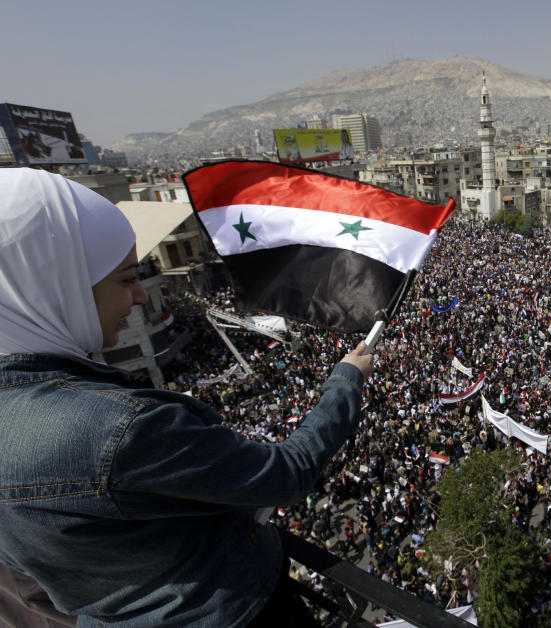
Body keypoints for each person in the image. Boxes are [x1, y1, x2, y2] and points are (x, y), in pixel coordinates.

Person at [0, 168, 374, 626]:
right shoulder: (114, 429)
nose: (140, 295)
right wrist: (345, 381)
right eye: (124, 279)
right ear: (53, 286)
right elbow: (286, 474)